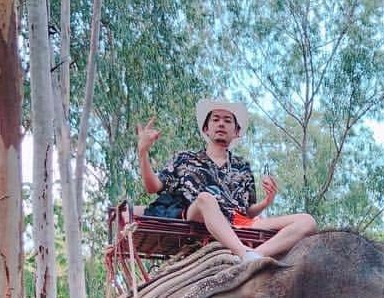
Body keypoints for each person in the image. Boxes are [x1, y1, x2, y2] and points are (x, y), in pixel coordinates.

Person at [136, 98, 317, 260]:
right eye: (215, 119)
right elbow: (153, 187)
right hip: (198, 214)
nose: (221, 123)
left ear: (236, 131)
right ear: (206, 129)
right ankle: (243, 253)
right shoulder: (184, 158)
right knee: (206, 198)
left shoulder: (242, 166)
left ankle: (256, 255)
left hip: (237, 221)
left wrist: (267, 201)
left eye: (227, 120)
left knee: (307, 221)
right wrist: (143, 153)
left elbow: (248, 211)